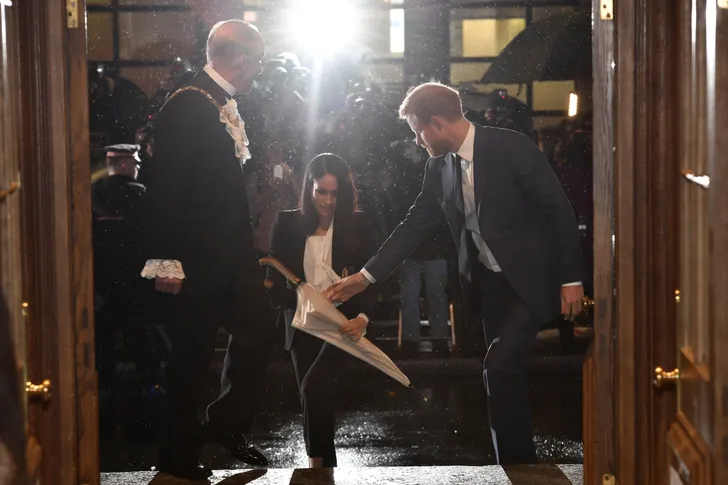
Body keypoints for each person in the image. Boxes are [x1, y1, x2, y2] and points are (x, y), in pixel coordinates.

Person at [326, 82, 585, 465]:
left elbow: (557, 210)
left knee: (498, 367)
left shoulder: (510, 146)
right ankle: (516, 465)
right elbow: (414, 224)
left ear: (436, 123)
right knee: (505, 375)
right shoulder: (438, 166)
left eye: (418, 131)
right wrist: (365, 277)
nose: (417, 141)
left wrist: (571, 279)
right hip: (489, 286)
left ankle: (515, 464)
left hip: (531, 280)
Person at [140, 20, 272, 480]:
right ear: (241, 60)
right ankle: (176, 457)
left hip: (231, 253)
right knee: (191, 357)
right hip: (194, 257)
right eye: (259, 62)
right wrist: (166, 262)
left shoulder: (218, 102)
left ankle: (225, 424)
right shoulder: (187, 105)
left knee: (258, 330)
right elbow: (165, 189)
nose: (261, 71)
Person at [266, 154, 377, 469]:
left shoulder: (358, 224)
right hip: (302, 324)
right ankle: (321, 468)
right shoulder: (287, 224)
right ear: (308, 189)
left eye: (335, 193)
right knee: (312, 399)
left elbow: (374, 279)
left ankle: (318, 470)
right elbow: (274, 286)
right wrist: (306, 300)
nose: (328, 201)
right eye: (321, 192)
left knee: (314, 388)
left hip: (343, 326)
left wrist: (362, 319)